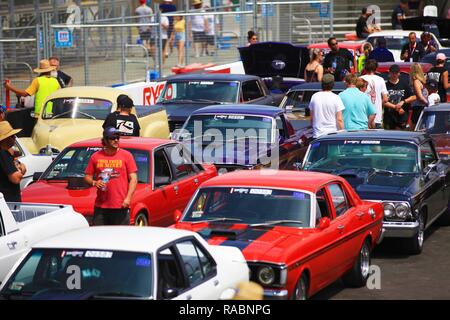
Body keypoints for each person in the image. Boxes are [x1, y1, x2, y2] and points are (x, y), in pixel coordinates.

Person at [84, 127, 138, 226]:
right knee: (99, 237)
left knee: (120, 237)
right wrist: (94, 182)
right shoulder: (95, 156)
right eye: (113, 138)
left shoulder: (127, 155)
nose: (116, 140)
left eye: (118, 137)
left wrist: (128, 199)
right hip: (101, 207)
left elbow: (133, 179)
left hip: (121, 206)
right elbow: (87, 176)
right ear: (105, 140)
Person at [309, 74, 345, 138]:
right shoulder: (336, 98)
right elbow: (339, 119)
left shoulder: (314, 96)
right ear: (333, 84)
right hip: (332, 135)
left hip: (318, 135)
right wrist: (342, 133)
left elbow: (312, 118)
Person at [0, 121, 26, 202]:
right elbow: (15, 178)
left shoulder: (6, 154)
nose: (15, 138)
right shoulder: (3, 154)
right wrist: (22, 169)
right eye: (12, 136)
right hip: (9, 203)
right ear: (6, 139)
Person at [383, 64, 414, 130]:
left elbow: (414, 96)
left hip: (402, 116)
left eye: (396, 73)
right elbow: (383, 101)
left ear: (399, 73)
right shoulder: (385, 85)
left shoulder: (404, 84)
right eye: (393, 72)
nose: (394, 75)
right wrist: (396, 107)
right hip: (389, 117)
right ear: (389, 73)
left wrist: (403, 101)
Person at [360, 59, 389, 129]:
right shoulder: (380, 79)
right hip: (377, 117)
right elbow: (385, 99)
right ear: (376, 68)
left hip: (363, 118)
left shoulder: (360, 79)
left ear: (365, 68)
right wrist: (378, 105)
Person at [410, 63, 428, 127]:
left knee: (416, 127)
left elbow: (421, 96)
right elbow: (421, 97)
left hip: (420, 107)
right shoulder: (418, 81)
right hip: (419, 107)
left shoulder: (418, 81)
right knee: (416, 127)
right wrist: (427, 103)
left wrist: (427, 104)